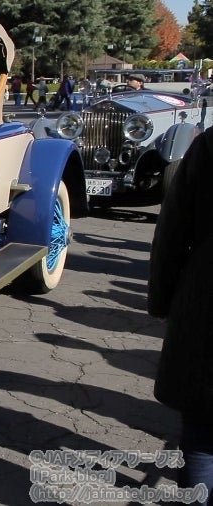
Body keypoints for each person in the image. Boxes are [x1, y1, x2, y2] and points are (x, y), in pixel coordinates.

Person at [148, 125, 213, 502]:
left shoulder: (209, 146)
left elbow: (173, 230)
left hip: (207, 302)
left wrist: (162, 298)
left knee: (203, 435)